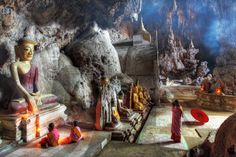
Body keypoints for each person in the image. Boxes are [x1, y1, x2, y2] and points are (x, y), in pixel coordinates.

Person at [9, 38, 58, 114]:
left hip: (34, 96)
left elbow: (35, 84)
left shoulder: (34, 67)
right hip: (21, 97)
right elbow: (17, 84)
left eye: (32, 50)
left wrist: (37, 92)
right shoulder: (15, 65)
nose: (31, 53)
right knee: (15, 107)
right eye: (26, 49)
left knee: (52, 97)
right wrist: (27, 96)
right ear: (18, 50)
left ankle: (35, 103)